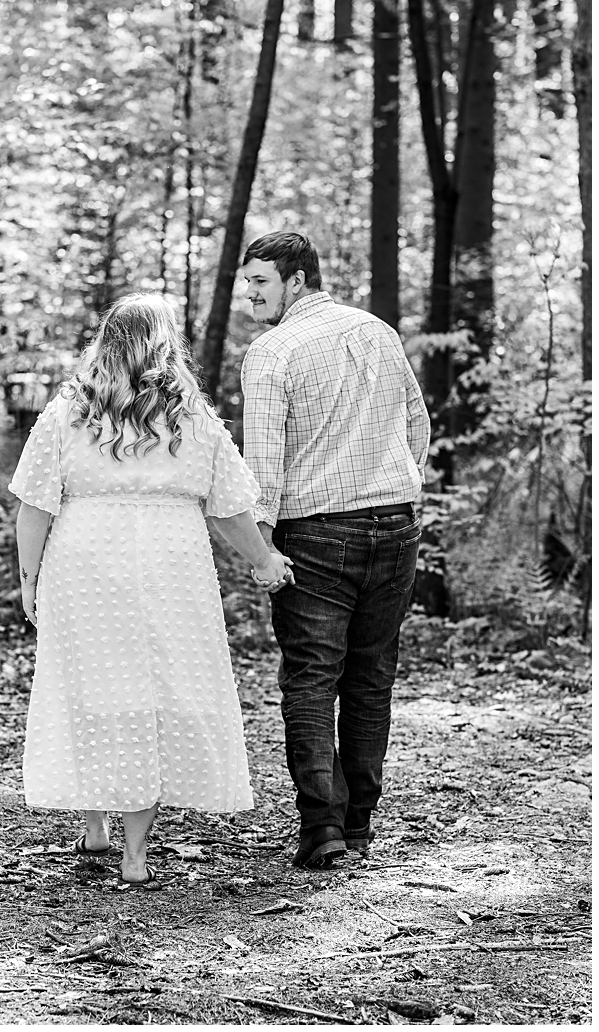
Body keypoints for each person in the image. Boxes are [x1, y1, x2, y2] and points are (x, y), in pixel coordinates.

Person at [11, 294, 294, 885]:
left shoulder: (66, 415)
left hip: (84, 559)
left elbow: (34, 508)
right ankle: (133, 856)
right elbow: (230, 509)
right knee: (153, 690)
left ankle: (97, 825)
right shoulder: (194, 419)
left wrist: (29, 580)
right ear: (167, 345)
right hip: (173, 564)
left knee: (92, 685)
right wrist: (263, 558)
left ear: (105, 343)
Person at [239, 230, 430, 870]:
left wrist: (261, 548)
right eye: (248, 282)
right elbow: (416, 420)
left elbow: (262, 465)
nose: (250, 295)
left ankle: (323, 828)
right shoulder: (378, 331)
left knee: (313, 679)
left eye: (261, 282)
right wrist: (401, 481)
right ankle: (360, 822)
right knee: (372, 676)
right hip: (395, 526)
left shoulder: (270, 353)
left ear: (297, 280)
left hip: (317, 533)